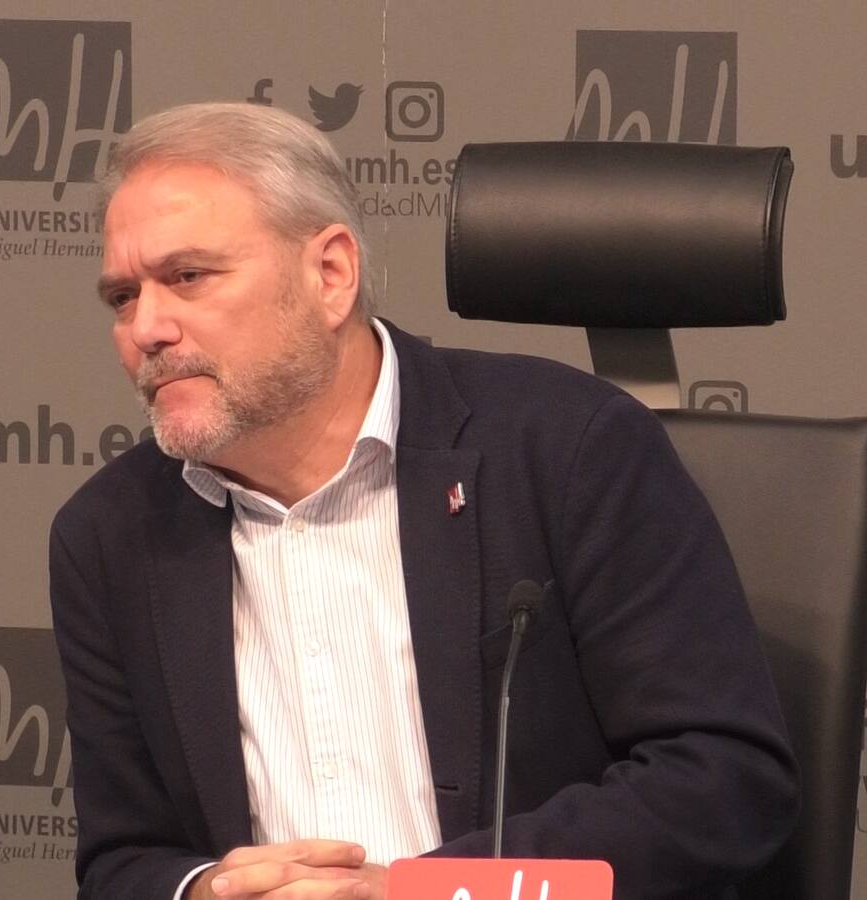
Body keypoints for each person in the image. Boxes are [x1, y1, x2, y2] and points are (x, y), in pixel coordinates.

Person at [49, 102, 799, 900]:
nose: (147, 328)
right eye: (122, 297)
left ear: (329, 274)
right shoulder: (108, 536)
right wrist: (208, 892)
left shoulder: (569, 449)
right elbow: (123, 859)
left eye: (187, 277)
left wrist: (425, 892)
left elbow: (721, 781)